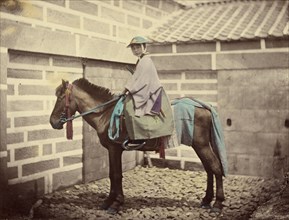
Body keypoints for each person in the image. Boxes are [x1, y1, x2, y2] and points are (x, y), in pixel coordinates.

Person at [123, 36, 174, 147]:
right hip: (146, 89)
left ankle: (139, 138)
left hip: (151, 91)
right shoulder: (141, 60)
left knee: (129, 108)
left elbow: (140, 80)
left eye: (138, 47)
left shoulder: (145, 61)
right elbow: (138, 77)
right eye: (133, 48)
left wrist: (126, 89)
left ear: (144, 47)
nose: (135, 50)